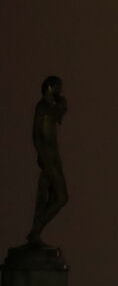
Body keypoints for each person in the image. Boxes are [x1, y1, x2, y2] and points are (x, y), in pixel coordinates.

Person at [28, 76, 69, 245]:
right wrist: (42, 155)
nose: (60, 90)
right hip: (48, 158)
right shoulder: (42, 107)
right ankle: (36, 231)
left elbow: (60, 115)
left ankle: (35, 231)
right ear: (51, 87)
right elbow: (36, 135)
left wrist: (62, 103)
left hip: (53, 157)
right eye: (58, 87)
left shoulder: (50, 108)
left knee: (51, 196)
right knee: (61, 197)